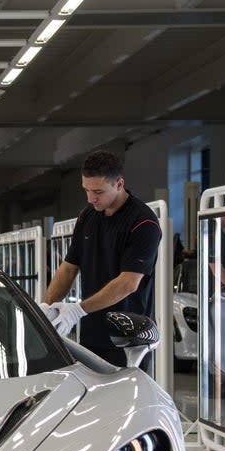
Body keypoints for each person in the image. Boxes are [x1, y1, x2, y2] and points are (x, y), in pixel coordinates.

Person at [42, 150, 162, 366]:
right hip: (91, 336)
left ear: (119, 183)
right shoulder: (87, 216)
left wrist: (77, 310)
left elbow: (128, 283)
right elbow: (69, 268)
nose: (90, 198)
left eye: (98, 191)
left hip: (127, 341)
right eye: (86, 190)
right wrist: (45, 307)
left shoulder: (143, 223)